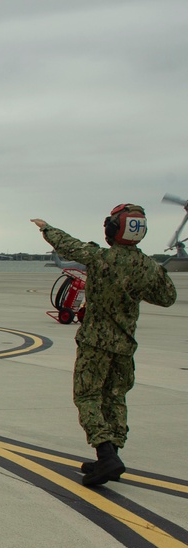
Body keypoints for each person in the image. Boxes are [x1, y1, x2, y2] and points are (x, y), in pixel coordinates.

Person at [31, 205, 176, 487]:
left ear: (112, 229)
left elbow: (70, 246)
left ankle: (106, 453)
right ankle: (110, 457)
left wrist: (46, 228)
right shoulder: (147, 266)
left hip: (95, 342)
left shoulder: (101, 258)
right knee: (115, 396)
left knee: (87, 396)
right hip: (125, 345)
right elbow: (167, 297)